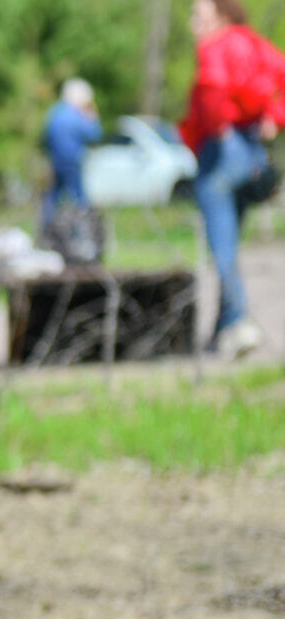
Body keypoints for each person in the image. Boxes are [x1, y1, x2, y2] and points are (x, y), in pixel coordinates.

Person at [179, 0, 285, 359]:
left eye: (199, 17)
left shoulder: (214, 45)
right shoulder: (257, 45)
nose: (194, 25)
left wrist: (217, 129)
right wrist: (274, 115)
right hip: (252, 147)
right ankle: (221, 331)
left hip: (222, 151)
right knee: (231, 242)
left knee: (221, 247)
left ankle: (238, 323)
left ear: (221, 17)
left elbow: (211, 88)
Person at [41, 78, 102, 233]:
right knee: (79, 200)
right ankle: (81, 232)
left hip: (56, 161)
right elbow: (95, 134)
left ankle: (47, 230)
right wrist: (92, 115)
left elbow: (44, 138)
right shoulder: (77, 115)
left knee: (53, 199)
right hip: (73, 161)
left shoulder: (54, 112)